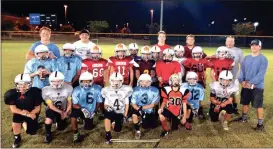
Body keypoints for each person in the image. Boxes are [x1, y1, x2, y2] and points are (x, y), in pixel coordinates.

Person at [4, 74, 43, 148]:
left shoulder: (35, 92)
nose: (22, 87)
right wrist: (26, 114)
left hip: (32, 111)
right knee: (16, 121)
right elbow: (13, 109)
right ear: (16, 84)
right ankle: (17, 138)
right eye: (19, 84)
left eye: (25, 84)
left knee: (31, 132)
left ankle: (24, 123)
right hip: (19, 112)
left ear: (30, 84)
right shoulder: (11, 94)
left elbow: (37, 108)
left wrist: (31, 113)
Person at [238, 39, 268, 131]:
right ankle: (244, 118)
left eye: (256, 45)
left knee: (258, 105)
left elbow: (261, 74)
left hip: (257, 86)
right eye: (252, 45)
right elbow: (242, 70)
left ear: (260, 47)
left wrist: (250, 83)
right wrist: (242, 81)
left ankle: (260, 124)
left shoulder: (263, 59)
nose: (254, 47)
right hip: (246, 84)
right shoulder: (246, 58)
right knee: (245, 102)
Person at [101, 72, 133, 144]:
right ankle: (108, 135)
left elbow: (127, 104)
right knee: (107, 116)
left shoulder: (125, 90)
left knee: (117, 130)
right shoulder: (107, 90)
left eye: (118, 81)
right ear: (110, 81)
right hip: (112, 111)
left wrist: (125, 115)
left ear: (121, 81)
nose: (116, 83)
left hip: (120, 112)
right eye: (114, 81)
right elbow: (105, 104)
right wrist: (108, 109)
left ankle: (114, 122)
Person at [71, 72, 103, 143]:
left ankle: (84, 120)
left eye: (88, 81)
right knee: (73, 116)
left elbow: (99, 101)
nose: (86, 83)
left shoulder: (97, 88)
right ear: (80, 81)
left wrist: (95, 110)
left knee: (88, 128)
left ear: (92, 81)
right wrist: (82, 109)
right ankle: (76, 133)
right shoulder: (77, 89)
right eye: (84, 81)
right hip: (80, 108)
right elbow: (73, 104)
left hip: (90, 110)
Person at [42, 71, 73, 143]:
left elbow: (69, 103)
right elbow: (51, 106)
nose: (56, 83)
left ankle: (58, 121)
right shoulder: (46, 90)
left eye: (58, 81)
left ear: (62, 80)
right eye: (53, 81)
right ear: (50, 81)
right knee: (48, 120)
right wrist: (61, 112)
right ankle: (48, 134)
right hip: (52, 109)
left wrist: (66, 112)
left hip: (63, 109)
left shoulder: (68, 88)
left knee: (61, 128)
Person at [183, 46, 212, 119]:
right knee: (190, 94)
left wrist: (213, 57)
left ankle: (199, 110)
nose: (197, 55)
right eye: (195, 53)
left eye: (199, 53)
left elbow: (212, 65)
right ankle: (190, 107)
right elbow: (185, 66)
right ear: (193, 54)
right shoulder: (189, 60)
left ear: (201, 53)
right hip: (191, 79)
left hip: (200, 80)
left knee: (199, 96)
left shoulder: (204, 60)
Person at [131, 74, 160, 139]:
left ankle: (143, 120)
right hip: (138, 107)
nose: (144, 83)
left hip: (148, 109)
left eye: (147, 81)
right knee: (134, 115)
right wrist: (138, 109)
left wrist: (142, 108)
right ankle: (137, 131)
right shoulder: (135, 89)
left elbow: (154, 104)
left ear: (150, 82)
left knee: (149, 126)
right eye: (143, 81)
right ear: (139, 81)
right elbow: (133, 103)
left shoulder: (155, 90)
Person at [225, 36, 244, 114]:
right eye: (228, 41)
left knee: (233, 93)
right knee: (224, 92)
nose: (229, 43)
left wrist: (241, 76)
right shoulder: (222, 49)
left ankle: (235, 107)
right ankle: (225, 106)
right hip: (223, 76)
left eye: (231, 41)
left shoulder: (238, 51)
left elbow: (243, 64)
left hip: (234, 75)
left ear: (234, 42)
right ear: (225, 42)